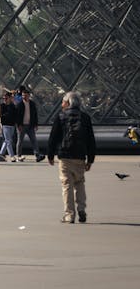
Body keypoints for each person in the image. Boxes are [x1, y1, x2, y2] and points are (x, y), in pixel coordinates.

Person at [47, 91, 96, 223]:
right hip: (80, 155)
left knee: (67, 185)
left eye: (63, 101)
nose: (62, 104)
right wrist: (90, 159)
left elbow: (53, 137)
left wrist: (50, 155)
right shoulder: (85, 117)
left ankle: (69, 214)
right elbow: (91, 139)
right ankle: (81, 209)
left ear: (68, 103)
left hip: (65, 155)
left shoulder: (61, 116)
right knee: (79, 182)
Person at [15, 89, 43, 161]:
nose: (24, 96)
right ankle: (19, 156)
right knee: (20, 141)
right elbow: (17, 116)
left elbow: (35, 115)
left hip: (30, 125)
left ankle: (37, 155)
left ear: (29, 95)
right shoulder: (19, 104)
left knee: (34, 140)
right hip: (22, 126)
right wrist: (19, 125)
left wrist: (36, 124)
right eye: (23, 95)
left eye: (25, 95)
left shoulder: (32, 104)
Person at [0, 90, 18, 162]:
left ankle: (1, 153)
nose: (4, 100)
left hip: (12, 125)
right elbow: (0, 115)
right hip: (5, 125)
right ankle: (12, 156)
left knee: (7, 140)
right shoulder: (2, 106)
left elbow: (16, 114)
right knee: (9, 140)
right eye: (3, 98)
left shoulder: (13, 105)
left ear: (10, 98)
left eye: (6, 98)